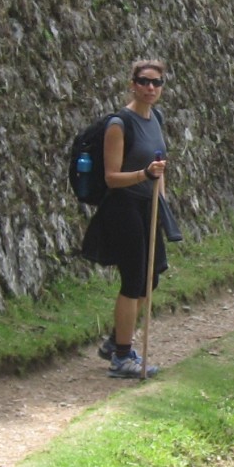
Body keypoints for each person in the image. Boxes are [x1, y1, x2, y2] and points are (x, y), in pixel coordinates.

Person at [81, 58, 173, 379]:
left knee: (152, 277)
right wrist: (143, 175)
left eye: (156, 83)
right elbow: (110, 177)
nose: (150, 88)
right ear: (132, 83)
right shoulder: (119, 124)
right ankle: (122, 358)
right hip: (123, 206)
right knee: (134, 279)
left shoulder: (156, 118)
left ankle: (115, 340)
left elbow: (159, 165)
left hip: (148, 207)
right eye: (144, 81)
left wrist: (161, 202)